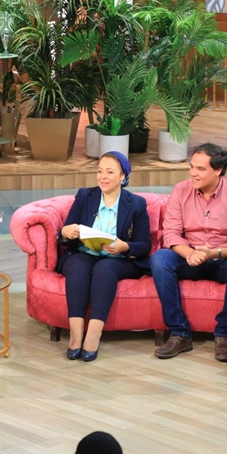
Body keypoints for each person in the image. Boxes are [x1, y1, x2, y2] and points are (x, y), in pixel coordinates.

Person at [151, 143, 227, 361]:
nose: (193, 173)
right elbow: (170, 234)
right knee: (160, 259)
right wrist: (190, 253)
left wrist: (213, 253)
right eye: (191, 167)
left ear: (218, 170)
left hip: (221, 259)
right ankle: (179, 333)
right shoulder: (180, 190)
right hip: (189, 258)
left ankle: (224, 334)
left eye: (200, 169)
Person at [58, 151, 151, 362]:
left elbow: (144, 245)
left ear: (123, 176)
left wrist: (125, 246)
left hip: (118, 260)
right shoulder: (85, 196)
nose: (103, 177)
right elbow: (66, 229)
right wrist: (66, 231)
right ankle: (75, 335)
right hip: (84, 253)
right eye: (100, 171)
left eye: (110, 172)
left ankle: (93, 335)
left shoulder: (136, 204)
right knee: (78, 266)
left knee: (104, 269)